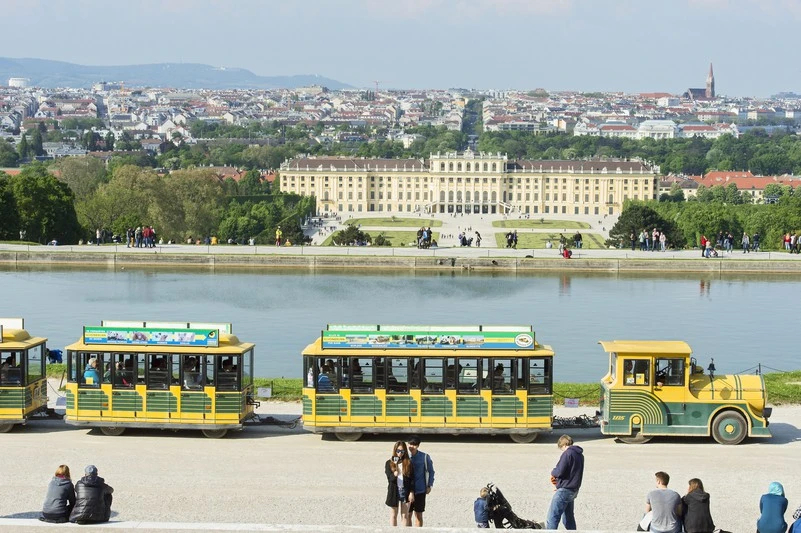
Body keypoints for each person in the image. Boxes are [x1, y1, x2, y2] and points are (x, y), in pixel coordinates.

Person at [545, 434, 584, 530]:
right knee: (568, 518)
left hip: (564, 490)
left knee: (552, 517)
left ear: (563, 445)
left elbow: (560, 471)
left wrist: (553, 471)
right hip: (573, 490)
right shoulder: (580, 455)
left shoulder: (567, 454)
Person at [407, 436, 434, 527]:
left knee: (418, 515)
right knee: (407, 515)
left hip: (420, 490)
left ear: (418, 446)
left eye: (414, 445)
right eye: (410, 444)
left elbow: (431, 471)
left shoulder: (425, 457)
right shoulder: (405, 457)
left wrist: (430, 485)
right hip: (407, 490)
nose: (411, 446)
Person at [385, 440, 414, 527]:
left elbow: (412, 479)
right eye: (398, 451)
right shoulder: (389, 463)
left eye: (402, 451)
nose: (400, 453)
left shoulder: (408, 463)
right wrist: (394, 475)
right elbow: (389, 478)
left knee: (405, 515)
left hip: (405, 490)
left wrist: (411, 492)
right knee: (394, 514)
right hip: (394, 490)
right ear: (395, 450)